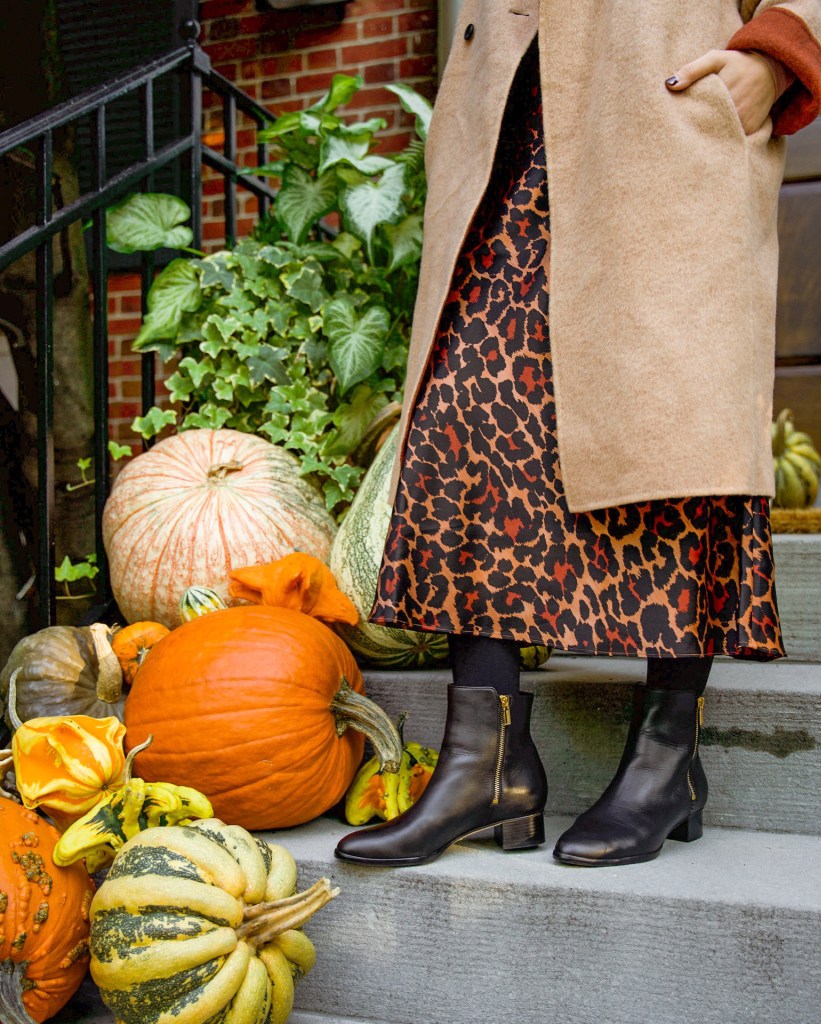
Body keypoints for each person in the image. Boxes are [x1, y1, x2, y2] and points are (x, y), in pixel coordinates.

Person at [335, 0, 821, 867]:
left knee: (675, 418)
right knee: (469, 408)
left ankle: (666, 760)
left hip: (659, 101)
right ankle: (483, 758)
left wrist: (783, 50)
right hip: (512, 102)